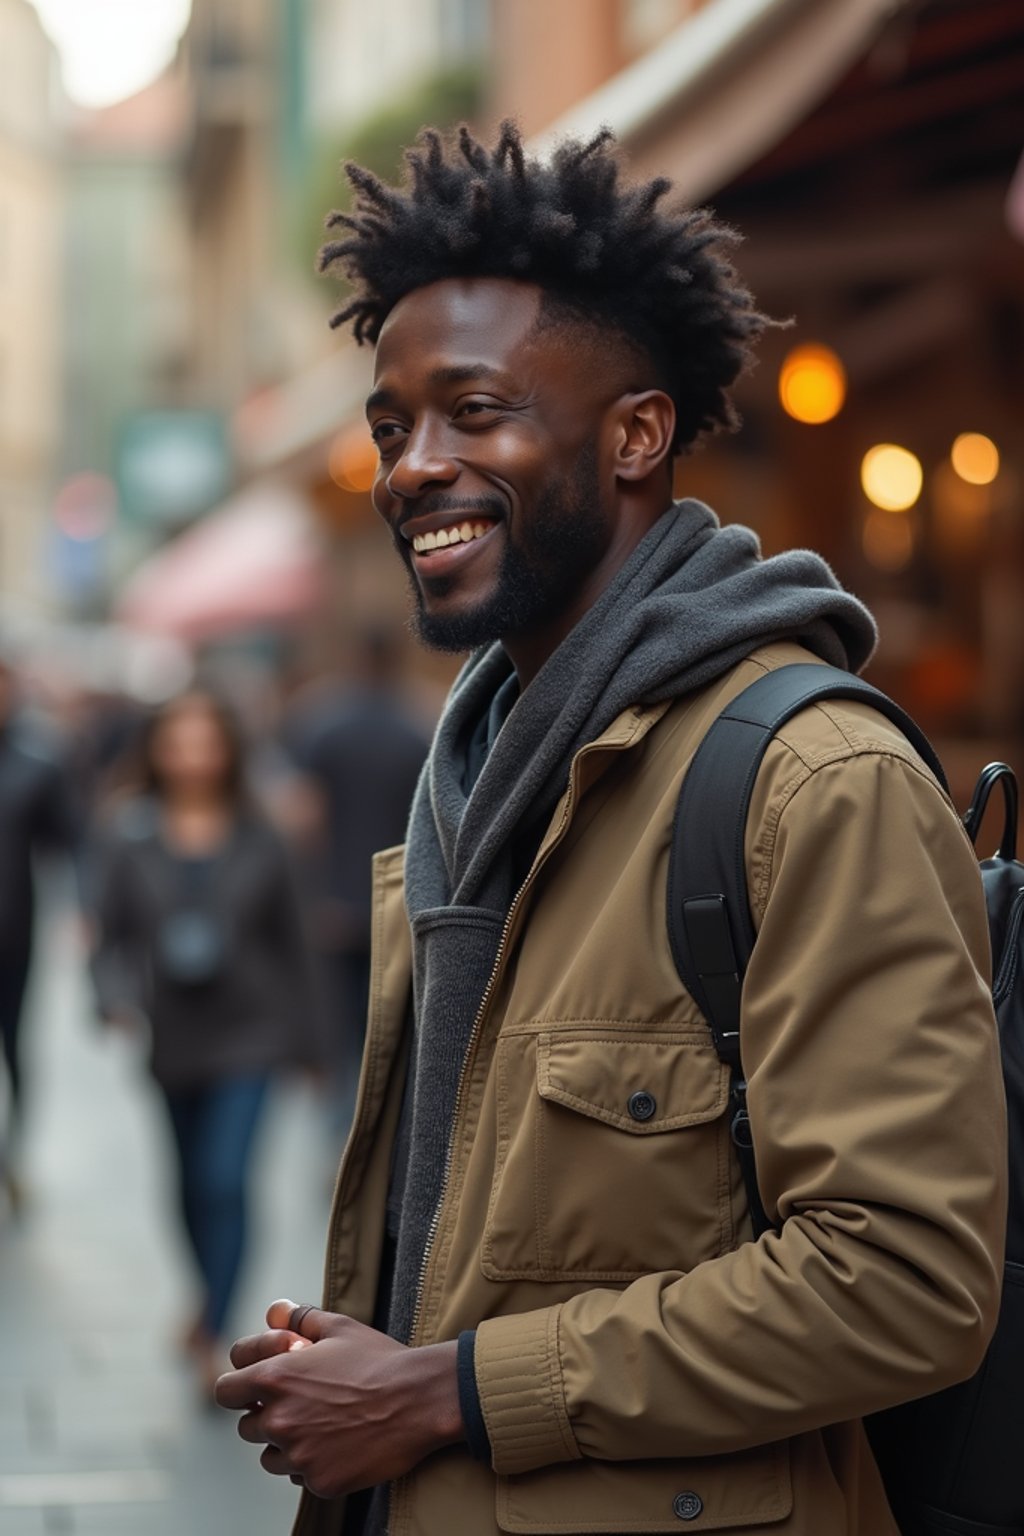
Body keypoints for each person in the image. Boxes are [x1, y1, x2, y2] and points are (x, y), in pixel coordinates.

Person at [215, 124, 1006, 1535]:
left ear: (636, 433)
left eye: (473, 410)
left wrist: (446, 1391)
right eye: (394, 426)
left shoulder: (806, 778)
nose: (409, 468)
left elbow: (905, 1281)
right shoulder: (472, 772)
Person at [89, 688, 320, 1397]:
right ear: (158, 752)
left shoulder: (264, 833)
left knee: (226, 1178)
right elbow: (107, 935)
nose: (192, 756)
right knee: (188, 1186)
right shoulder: (129, 834)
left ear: (228, 751)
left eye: (206, 741)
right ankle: (205, 1295)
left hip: (253, 1032)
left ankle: (215, 1329)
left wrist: (317, 1047)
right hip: (174, 1036)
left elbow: (297, 942)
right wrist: (112, 998)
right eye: (178, 742)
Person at [286, 626, 428, 1148]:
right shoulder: (419, 727)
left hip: (336, 903)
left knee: (339, 1021)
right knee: (387, 1024)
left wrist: (314, 893)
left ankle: (338, 1137)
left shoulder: (322, 724)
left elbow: (304, 820)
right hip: (398, 902)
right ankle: (379, 1136)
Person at [0, 656, 78, 1211]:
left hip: (12, 933)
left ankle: (14, 1154)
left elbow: (69, 843)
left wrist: (87, 912)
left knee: (14, 1047)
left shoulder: (37, 765)